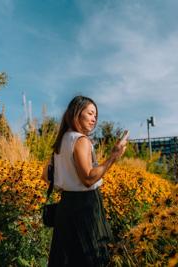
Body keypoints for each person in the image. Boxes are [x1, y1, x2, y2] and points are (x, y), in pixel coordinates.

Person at [41, 95, 128, 267]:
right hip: (86, 207)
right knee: (95, 257)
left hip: (66, 206)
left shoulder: (61, 141)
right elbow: (88, 178)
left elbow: (45, 176)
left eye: (95, 115)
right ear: (76, 113)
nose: (94, 118)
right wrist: (113, 156)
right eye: (90, 113)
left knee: (66, 260)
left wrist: (67, 182)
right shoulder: (81, 140)